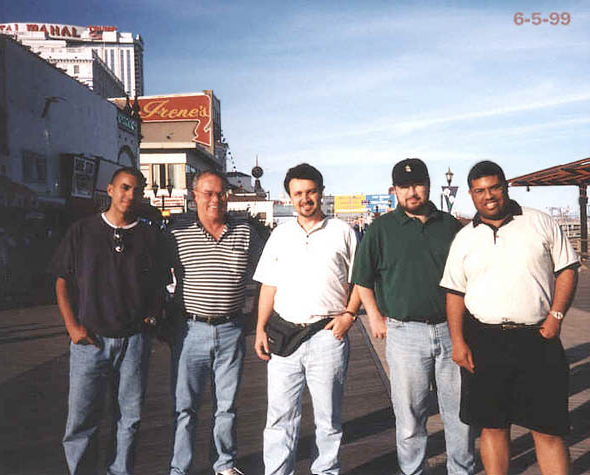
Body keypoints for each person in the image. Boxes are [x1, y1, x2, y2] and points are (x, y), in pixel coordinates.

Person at [440, 160, 579, 475]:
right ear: (472, 195)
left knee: (548, 428)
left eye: (493, 188)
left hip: (538, 339)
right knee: (492, 427)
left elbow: (567, 269)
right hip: (485, 341)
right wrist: (458, 342)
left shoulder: (540, 222)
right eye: (479, 191)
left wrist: (556, 316)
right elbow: (454, 293)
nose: (488, 196)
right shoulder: (464, 238)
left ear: (505, 187)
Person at [351, 158, 474, 475]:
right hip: (405, 334)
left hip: (451, 330)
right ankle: (412, 471)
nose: (412, 192)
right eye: (404, 187)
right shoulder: (381, 229)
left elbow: (471, 276)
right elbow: (362, 279)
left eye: (418, 184)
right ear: (394, 191)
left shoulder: (449, 226)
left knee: (460, 413)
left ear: (429, 185)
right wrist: (375, 317)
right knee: (409, 416)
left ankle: (461, 470)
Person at [52, 167, 166, 475]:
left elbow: (160, 282)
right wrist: (72, 327)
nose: (130, 195)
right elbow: (62, 280)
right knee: (81, 419)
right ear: (111, 190)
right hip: (91, 340)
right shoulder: (83, 230)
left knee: (129, 418)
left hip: (134, 341)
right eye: (125, 188)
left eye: (136, 190)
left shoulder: (148, 235)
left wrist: (153, 315)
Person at [253, 163, 361, 475]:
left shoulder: (343, 231)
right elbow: (268, 285)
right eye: (298, 193)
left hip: (327, 335)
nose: (305, 198)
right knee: (279, 417)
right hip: (284, 338)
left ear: (321, 192)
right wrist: (260, 328)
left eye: (311, 191)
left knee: (328, 418)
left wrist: (350, 316)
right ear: (289, 197)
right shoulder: (280, 234)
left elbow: (361, 281)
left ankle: (325, 471)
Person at [167, 170, 263, 475]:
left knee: (227, 406)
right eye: (207, 193)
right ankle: (180, 468)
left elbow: (267, 277)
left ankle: (224, 464)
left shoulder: (246, 232)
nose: (215, 200)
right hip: (190, 331)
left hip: (232, 330)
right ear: (194, 196)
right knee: (185, 408)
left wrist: (255, 317)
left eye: (220, 193)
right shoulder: (176, 235)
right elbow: (153, 276)